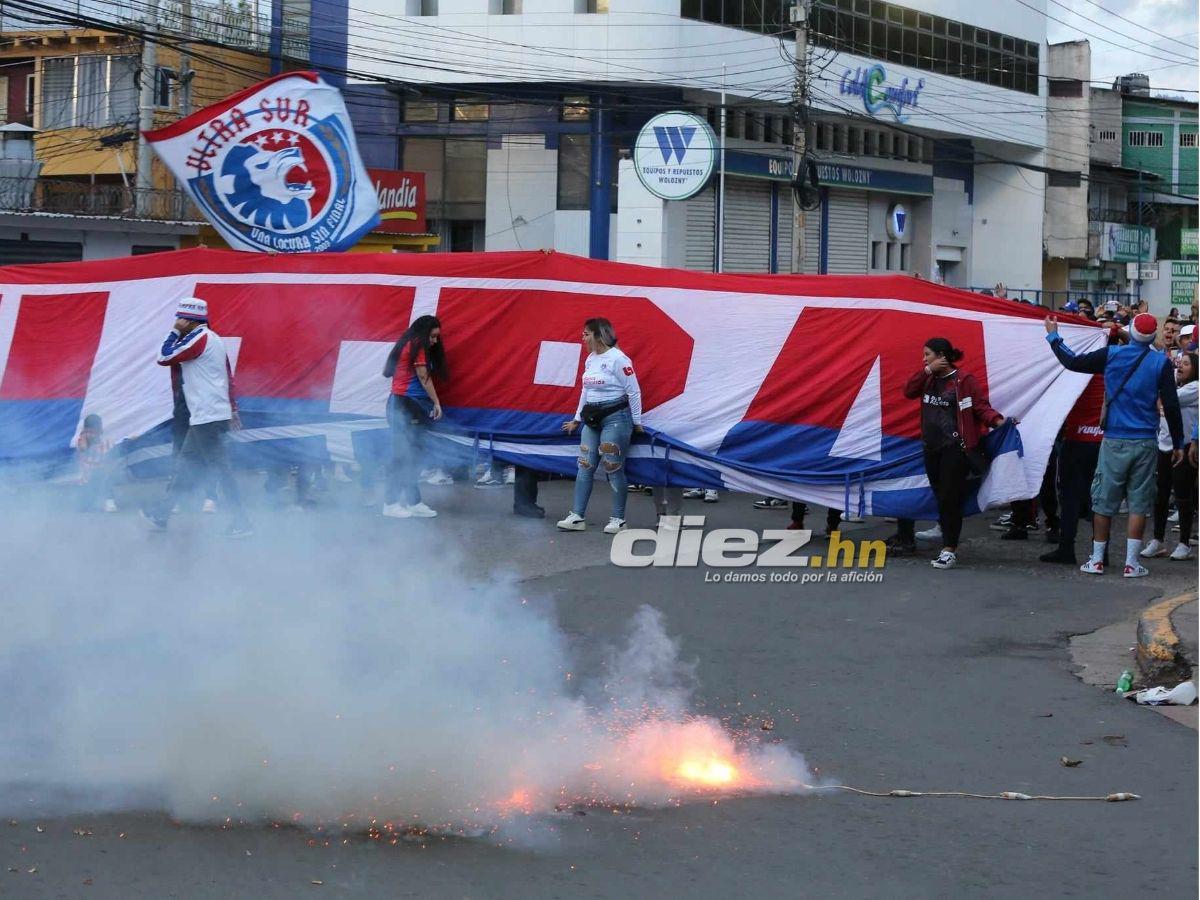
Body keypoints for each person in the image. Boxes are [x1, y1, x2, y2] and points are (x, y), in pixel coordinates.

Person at [1045, 313, 1184, 576]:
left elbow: (1072, 361)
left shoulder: (1111, 355)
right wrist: (1178, 442)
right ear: (1153, 336)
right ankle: (1132, 563)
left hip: (1113, 441)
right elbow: (1172, 406)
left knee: (1103, 502)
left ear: (1130, 332)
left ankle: (1096, 560)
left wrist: (1053, 334)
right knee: (1139, 503)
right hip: (1145, 441)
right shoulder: (1160, 362)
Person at [142, 298, 251, 537]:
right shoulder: (214, 339)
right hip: (207, 415)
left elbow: (163, 356)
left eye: (180, 319)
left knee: (221, 469)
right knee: (185, 466)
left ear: (190, 320)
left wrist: (173, 332)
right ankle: (162, 513)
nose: (178, 323)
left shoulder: (198, 338)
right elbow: (227, 376)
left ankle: (242, 521)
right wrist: (232, 409)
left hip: (207, 415)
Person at [903, 337, 1013, 570]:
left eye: (928, 355)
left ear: (942, 355)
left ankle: (949, 549)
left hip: (956, 449)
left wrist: (999, 422)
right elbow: (908, 391)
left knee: (949, 498)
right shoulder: (927, 378)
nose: (924, 359)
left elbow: (980, 407)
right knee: (939, 495)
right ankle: (944, 530)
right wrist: (926, 370)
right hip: (931, 448)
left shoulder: (964, 380)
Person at [556, 317, 642, 534]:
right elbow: (585, 391)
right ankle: (577, 515)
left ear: (598, 335)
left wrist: (637, 422)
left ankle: (618, 519)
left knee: (612, 467)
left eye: (586, 334)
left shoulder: (619, 359)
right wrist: (576, 419)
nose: (582, 338)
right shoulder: (590, 359)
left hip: (616, 418)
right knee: (584, 465)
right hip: (591, 419)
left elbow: (634, 391)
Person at [381, 314, 446, 519]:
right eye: (433, 336)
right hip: (404, 405)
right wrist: (436, 402)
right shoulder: (417, 344)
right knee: (403, 456)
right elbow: (423, 377)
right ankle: (390, 503)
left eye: (437, 337)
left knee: (414, 455)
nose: (435, 341)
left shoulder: (412, 343)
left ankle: (413, 501)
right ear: (424, 333)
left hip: (409, 405)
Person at [1040, 374, 1105, 565]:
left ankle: (1066, 548)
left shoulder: (1075, 372)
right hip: (1102, 442)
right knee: (1099, 498)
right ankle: (1101, 552)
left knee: (1070, 498)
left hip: (1076, 439)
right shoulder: (1112, 368)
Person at [1144, 352, 1198, 561]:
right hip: (1164, 445)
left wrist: (1159, 397)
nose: (1181, 367)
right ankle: (1157, 541)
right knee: (1161, 495)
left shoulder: (1195, 388)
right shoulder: (1174, 384)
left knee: (1183, 497)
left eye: (1187, 364)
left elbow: (1169, 399)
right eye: (1180, 363)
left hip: (1184, 447)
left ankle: (1184, 543)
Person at [76, 414, 119, 513]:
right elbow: (83, 447)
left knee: (92, 489)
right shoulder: (87, 437)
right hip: (98, 470)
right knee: (105, 486)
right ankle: (108, 503)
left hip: (89, 473)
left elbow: (81, 448)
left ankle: (87, 505)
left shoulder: (85, 436)